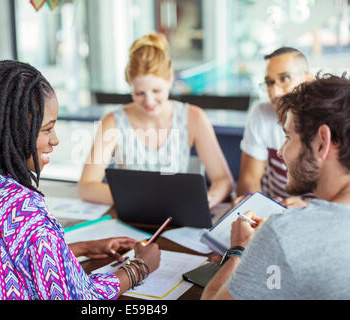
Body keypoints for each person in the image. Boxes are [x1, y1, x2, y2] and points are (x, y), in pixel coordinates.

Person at [0, 60, 161, 300]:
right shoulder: (21, 207)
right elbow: (82, 298)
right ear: (13, 129)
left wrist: (82, 248)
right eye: (47, 129)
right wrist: (141, 266)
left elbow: (0, 260)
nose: (55, 140)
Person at [201, 73, 350, 299]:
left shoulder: (283, 233)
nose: (280, 152)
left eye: (288, 137)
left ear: (322, 142)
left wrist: (239, 249)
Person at [78, 32, 233, 208]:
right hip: (132, 216)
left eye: (156, 91)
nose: (149, 101)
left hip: (176, 217)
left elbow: (223, 180)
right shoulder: (113, 121)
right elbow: (86, 187)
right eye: (140, 93)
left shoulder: (193, 117)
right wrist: (145, 199)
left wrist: (208, 200)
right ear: (130, 87)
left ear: (170, 80)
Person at [235, 47, 314, 208]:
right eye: (269, 82)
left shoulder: (333, 117)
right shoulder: (261, 113)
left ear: (308, 78)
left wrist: (307, 208)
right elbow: (249, 180)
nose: (274, 92)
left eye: (284, 79)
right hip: (273, 214)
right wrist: (255, 207)